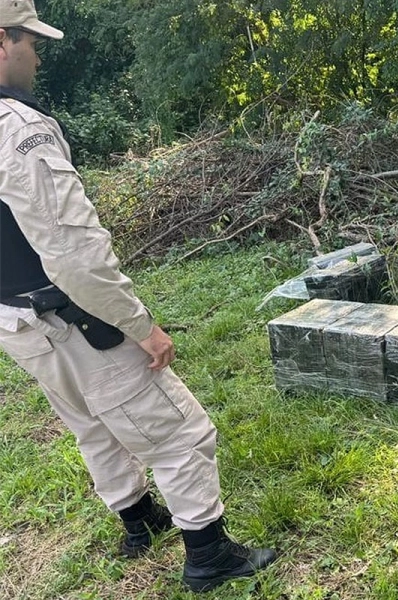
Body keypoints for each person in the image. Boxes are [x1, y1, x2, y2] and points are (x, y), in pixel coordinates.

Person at [0, 1, 277, 592]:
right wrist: (140, 326)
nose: (38, 54)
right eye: (31, 41)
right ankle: (209, 555)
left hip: (15, 321)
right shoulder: (18, 130)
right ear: (2, 42)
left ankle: (138, 520)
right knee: (180, 432)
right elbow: (74, 252)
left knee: (88, 420)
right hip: (71, 316)